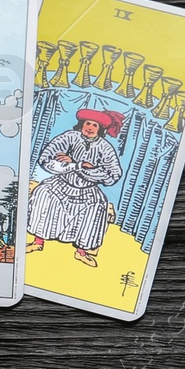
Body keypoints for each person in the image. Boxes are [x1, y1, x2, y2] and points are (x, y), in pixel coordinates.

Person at [26, 108, 125, 267]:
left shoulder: (105, 148)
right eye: (88, 123)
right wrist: (78, 165)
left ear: (100, 129)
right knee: (43, 194)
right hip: (61, 184)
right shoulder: (69, 137)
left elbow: (113, 175)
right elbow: (46, 159)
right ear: (81, 124)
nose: (90, 128)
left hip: (87, 190)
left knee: (97, 206)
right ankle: (38, 242)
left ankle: (82, 252)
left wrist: (81, 168)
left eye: (95, 125)